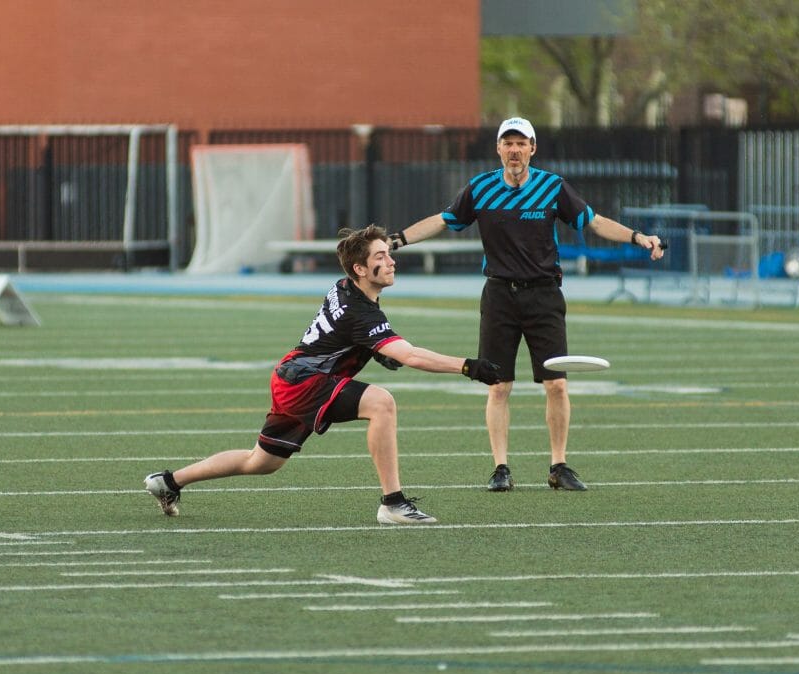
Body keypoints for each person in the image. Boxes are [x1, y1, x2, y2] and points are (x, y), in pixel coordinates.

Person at [144, 225, 503, 524]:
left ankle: (169, 481)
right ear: (360, 269)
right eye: (380, 257)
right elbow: (407, 355)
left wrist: (373, 351)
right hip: (303, 380)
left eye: (389, 254)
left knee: (262, 462)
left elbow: (348, 335)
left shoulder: (344, 286)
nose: (391, 261)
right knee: (381, 403)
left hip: (292, 375)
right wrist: (469, 367)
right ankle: (393, 503)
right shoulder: (360, 310)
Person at [389, 117, 666, 493]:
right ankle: (500, 468)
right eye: (508, 143)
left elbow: (594, 222)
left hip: (544, 296)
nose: (515, 150)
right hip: (500, 295)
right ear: (498, 149)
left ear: (532, 149)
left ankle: (559, 466)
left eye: (522, 143)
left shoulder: (553, 187)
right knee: (498, 385)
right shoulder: (481, 188)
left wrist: (638, 237)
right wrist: (398, 240)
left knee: (557, 386)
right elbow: (443, 220)